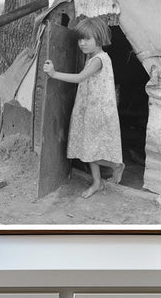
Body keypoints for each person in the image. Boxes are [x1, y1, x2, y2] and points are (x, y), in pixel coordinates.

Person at [43, 16, 124, 199]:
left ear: (100, 38)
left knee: (90, 150)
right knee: (89, 146)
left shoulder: (99, 59)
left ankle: (116, 166)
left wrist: (54, 74)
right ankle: (97, 183)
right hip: (88, 109)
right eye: (80, 39)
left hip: (98, 111)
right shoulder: (93, 58)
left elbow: (80, 78)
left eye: (87, 39)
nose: (82, 43)